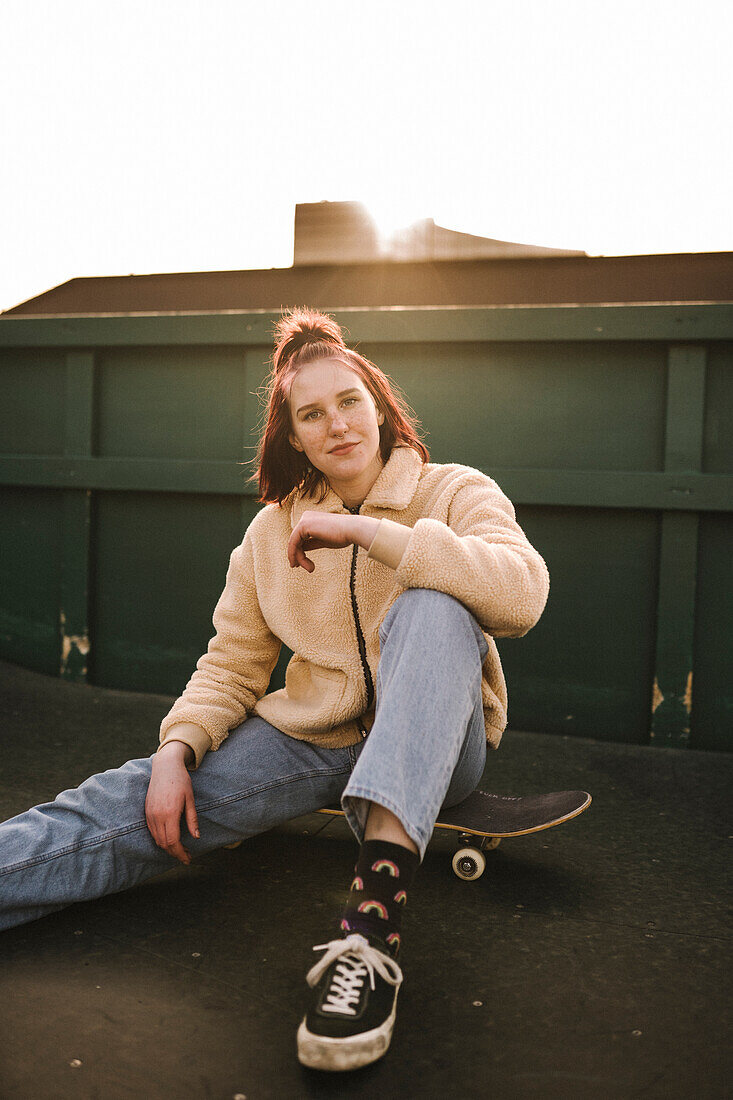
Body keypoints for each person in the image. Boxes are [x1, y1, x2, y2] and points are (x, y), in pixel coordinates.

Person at [0, 308, 550, 1071]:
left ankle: (368, 931)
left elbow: (522, 596)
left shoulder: (453, 492)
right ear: (294, 436)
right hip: (314, 740)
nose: (337, 425)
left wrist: (371, 536)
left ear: (379, 405)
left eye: (349, 402)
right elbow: (231, 662)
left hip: (440, 742)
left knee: (432, 602)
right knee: (127, 808)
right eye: (312, 414)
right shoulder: (269, 533)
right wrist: (175, 747)